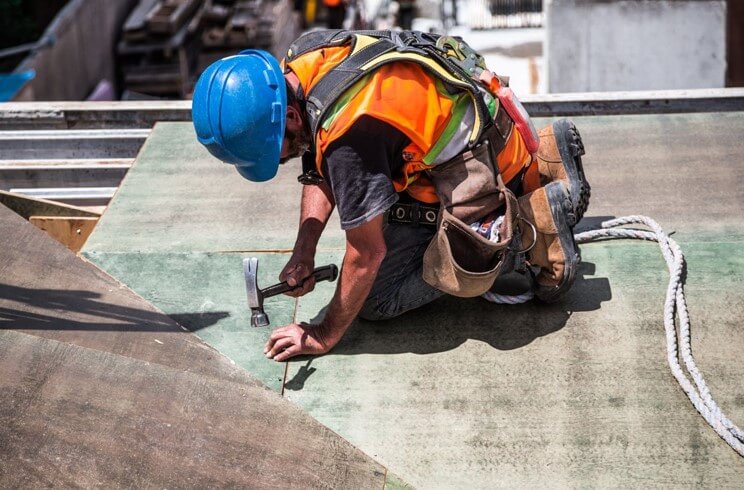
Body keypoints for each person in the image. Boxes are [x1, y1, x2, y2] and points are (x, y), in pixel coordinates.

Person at [192, 30, 590, 362]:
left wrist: (323, 333)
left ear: (291, 117)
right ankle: (547, 161)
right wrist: (304, 250)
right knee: (368, 211)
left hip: (483, 173)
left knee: (377, 300)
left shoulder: (351, 136)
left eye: (273, 152)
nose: (278, 163)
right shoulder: (305, 59)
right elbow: (318, 162)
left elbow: (367, 255)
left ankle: (528, 229)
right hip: (487, 134)